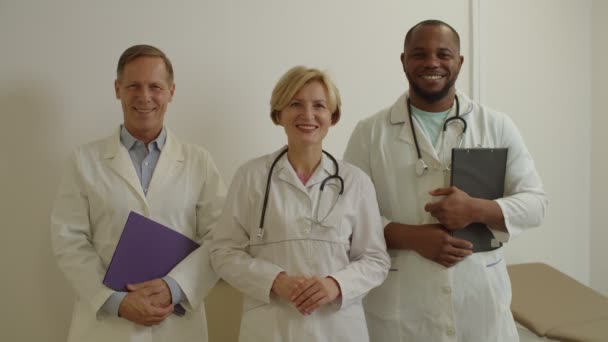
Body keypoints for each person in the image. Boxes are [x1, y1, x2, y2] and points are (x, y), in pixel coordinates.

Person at [344, 20, 548, 341]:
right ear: (403, 61)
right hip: (401, 308)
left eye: (443, 54)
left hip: (479, 302)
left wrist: (477, 209)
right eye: (419, 54)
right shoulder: (370, 133)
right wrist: (411, 237)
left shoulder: (495, 124)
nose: (432, 63)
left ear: (460, 61)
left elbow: (536, 205)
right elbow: (347, 220)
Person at [51, 44, 226, 342]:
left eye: (155, 86)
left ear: (171, 91)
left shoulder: (200, 162)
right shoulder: (84, 161)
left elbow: (221, 238)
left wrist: (174, 286)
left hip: (177, 323)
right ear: (118, 89)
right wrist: (115, 302)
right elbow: (69, 241)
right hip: (105, 327)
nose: (144, 96)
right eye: (134, 85)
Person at [210, 66, 390, 342]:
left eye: (319, 105)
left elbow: (376, 260)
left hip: (337, 329)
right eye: (295, 104)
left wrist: (336, 285)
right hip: (271, 330)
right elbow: (223, 252)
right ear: (278, 113)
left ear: (333, 116)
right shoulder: (251, 177)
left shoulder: (356, 182)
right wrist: (274, 280)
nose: (308, 115)